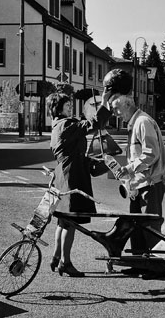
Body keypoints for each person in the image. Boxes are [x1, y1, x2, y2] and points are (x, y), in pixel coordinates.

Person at [106, 90, 165, 279]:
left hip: (151, 182)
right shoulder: (134, 123)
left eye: (117, 109)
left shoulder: (142, 122)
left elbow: (151, 154)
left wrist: (129, 168)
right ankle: (140, 263)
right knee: (136, 224)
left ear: (128, 105)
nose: (115, 114)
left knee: (150, 226)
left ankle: (157, 267)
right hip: (140, 182)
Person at [48, 93, 100, 277]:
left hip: (63, 175)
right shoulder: (66, 125)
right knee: (70, 222)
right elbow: (91, 124)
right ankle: (66, 262)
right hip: (72, 176)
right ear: (58, 107)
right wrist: (105, 106)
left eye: (71, 105)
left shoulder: (57, 125)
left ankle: (56, 256)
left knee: (63, 221)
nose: (71, 108)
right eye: (67, 105)